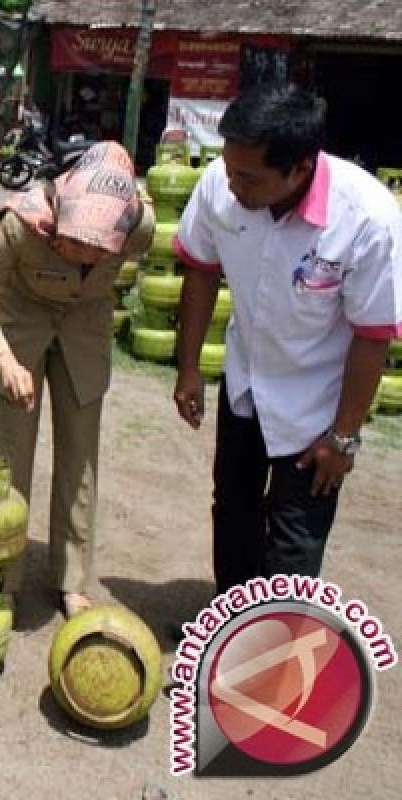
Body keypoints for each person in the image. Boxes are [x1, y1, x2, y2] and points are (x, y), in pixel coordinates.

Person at [173, 83, 402, 598]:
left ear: (300, 168)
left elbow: (372, 334)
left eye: (248, 177)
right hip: (246, 384)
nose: (232, 186)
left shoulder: (367, 218)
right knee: (233, 510)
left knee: (294, 538)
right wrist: (188, 367)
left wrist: (343, 437)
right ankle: (229, 632)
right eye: (229, 169)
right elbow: (201, 270)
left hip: (316, 406)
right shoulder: (219, 184)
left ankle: (274, 660)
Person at [0, 141, 155, 618]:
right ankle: (2, 575)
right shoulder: (22, 225)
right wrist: (4, 360)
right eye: (75, 242)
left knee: (80, 459)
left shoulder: (138, 226)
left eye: (97, 247)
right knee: (10, 456)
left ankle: (71, 580)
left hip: (84, 330)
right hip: (21, 326)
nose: (85, 253)